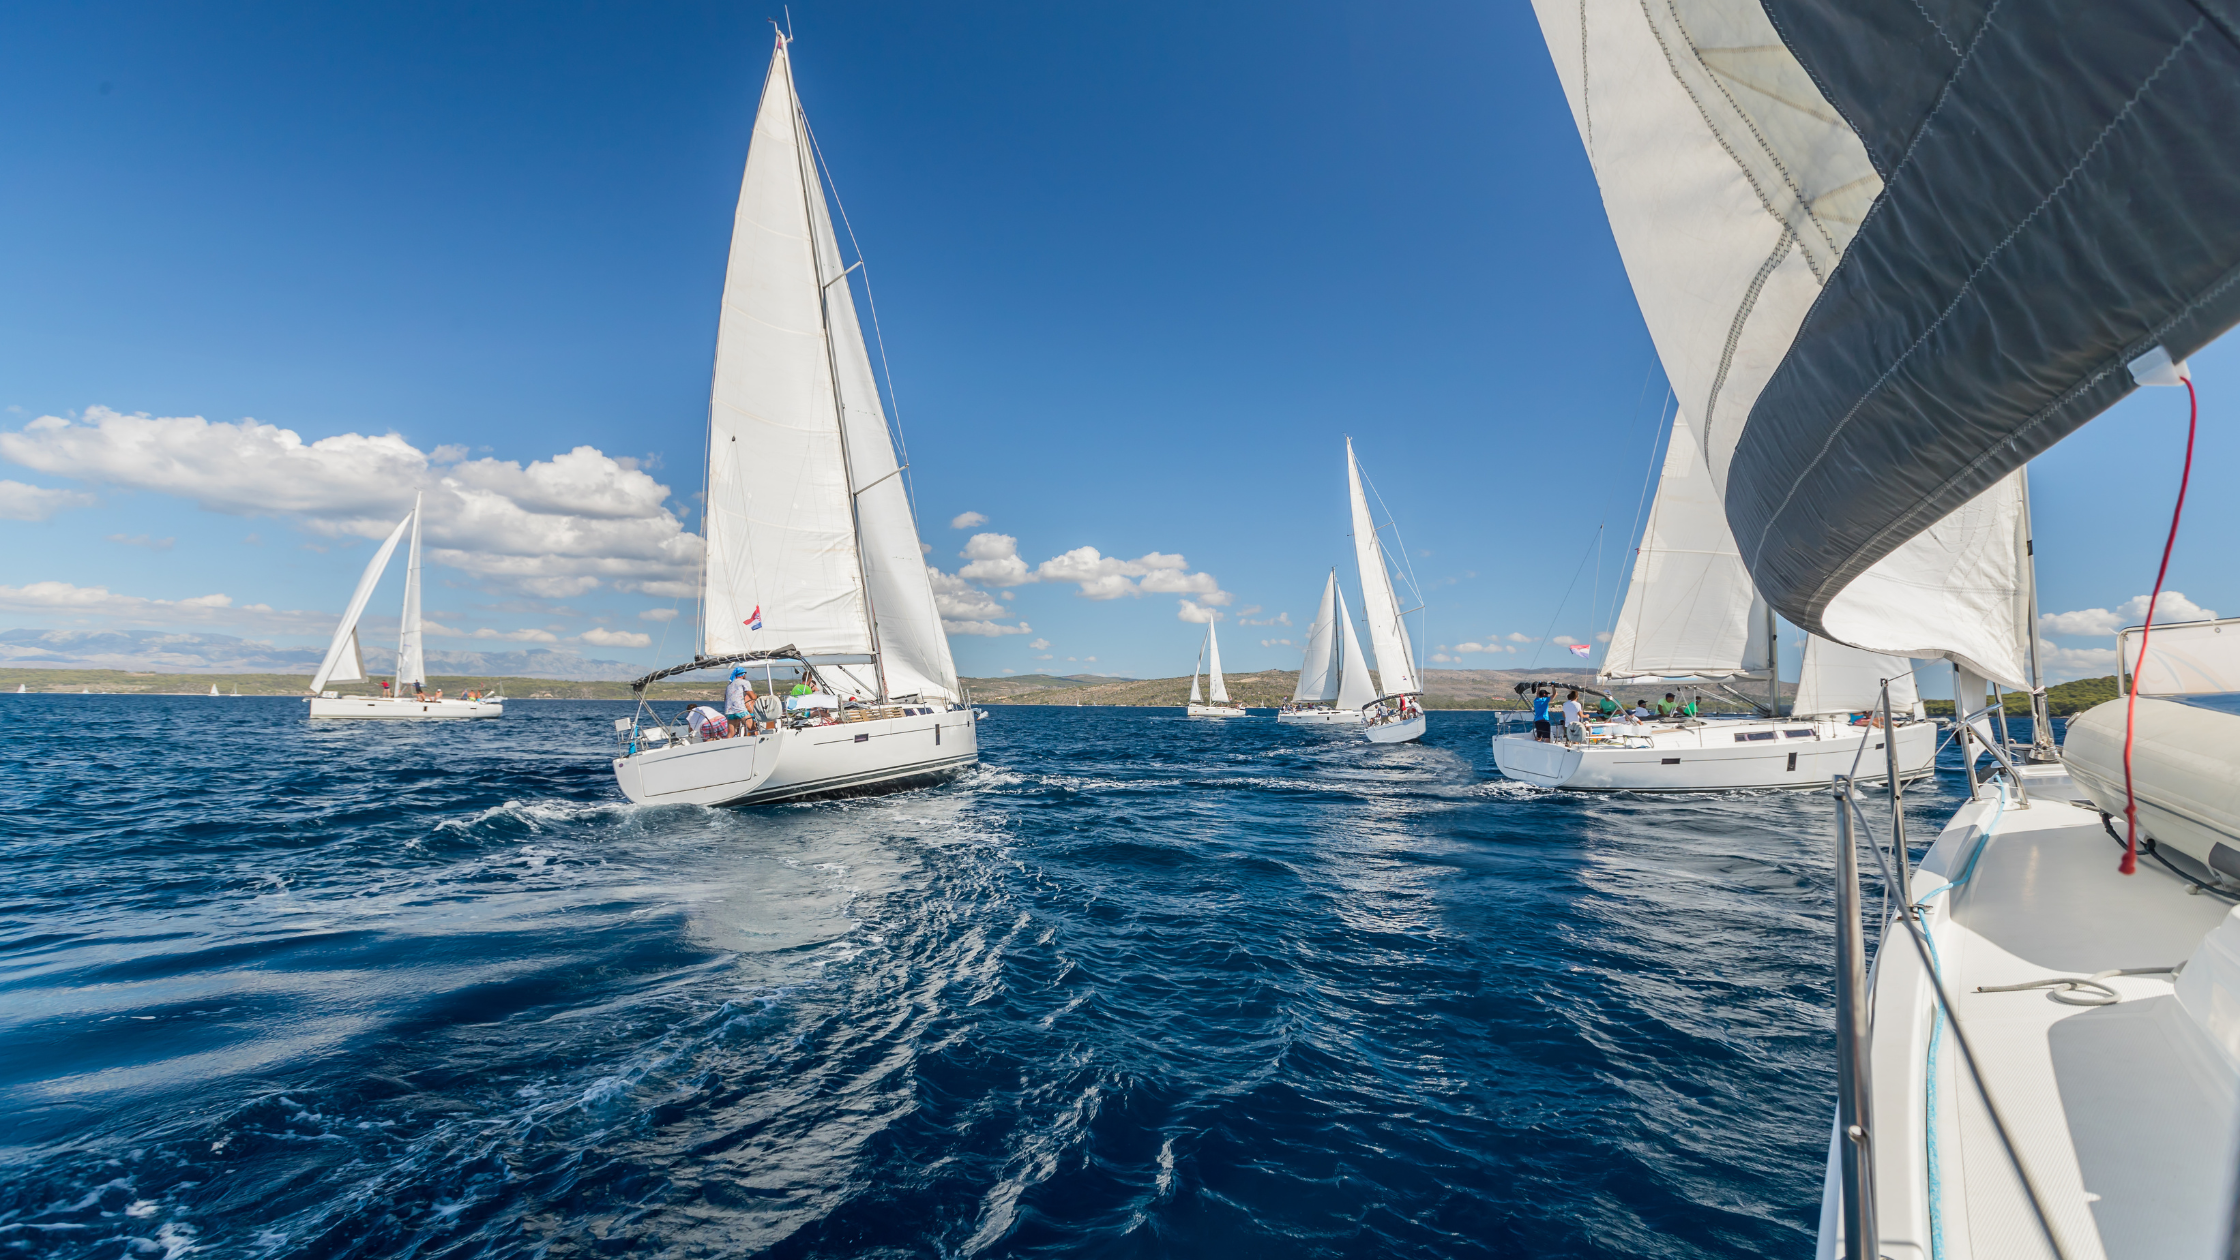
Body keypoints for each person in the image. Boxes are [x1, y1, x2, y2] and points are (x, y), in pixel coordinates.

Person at [724, 666, 754, 737]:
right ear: (743, 674)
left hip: (729, 711)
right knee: (753, 729)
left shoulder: (729, 685)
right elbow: (752, 696)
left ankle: (727, 747)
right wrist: (757, 697)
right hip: (740, 710)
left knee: (731, 733)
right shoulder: (744, 682)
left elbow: (725, 699)